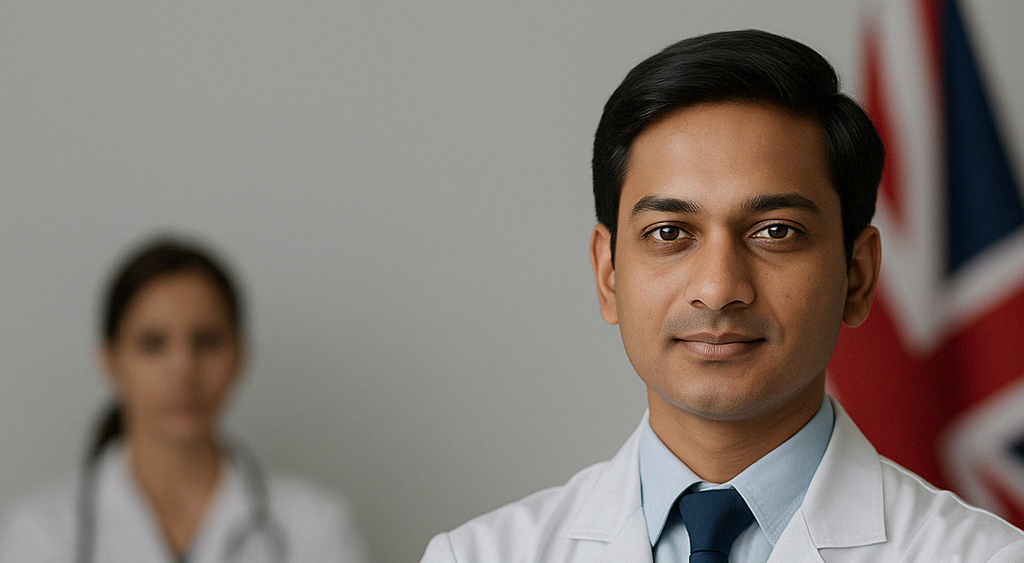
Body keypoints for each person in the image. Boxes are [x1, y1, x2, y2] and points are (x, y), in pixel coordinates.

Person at [419, 30, 1024, 563]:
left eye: (775, 232)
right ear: (608, 274)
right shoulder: (478, 555)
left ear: (858, 276)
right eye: (669, 234)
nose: (717, 288)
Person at [0, 236, 370, 563]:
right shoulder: (43, 534)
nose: (183, 369)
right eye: (153, 344)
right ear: (110, 359)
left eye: (207, 341)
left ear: (239, 357)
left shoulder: (314, 527)